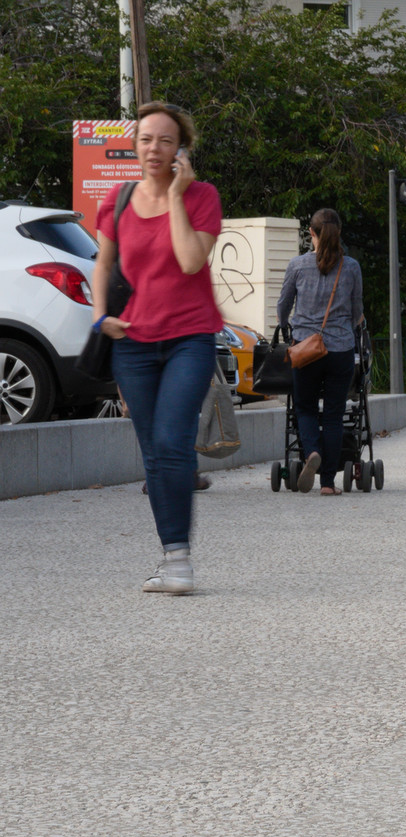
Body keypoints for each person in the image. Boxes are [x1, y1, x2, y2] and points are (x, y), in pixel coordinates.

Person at [90, 101, 223, 595]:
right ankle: (171, 556)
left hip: (190, 337)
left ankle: (180, 561)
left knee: (171, 440)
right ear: (135, 143)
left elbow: (191, 262)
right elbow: (102, 265)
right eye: (147, 139)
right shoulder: (118, 199)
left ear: (180, 149)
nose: (154, 148)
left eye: (165, 140)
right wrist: (100, 314)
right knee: (153, 450)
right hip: (133, 343)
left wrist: (179, 197)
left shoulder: (202, 196)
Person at [277, 208, 365, 495]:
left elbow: (283, 305)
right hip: (340, 350)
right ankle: (328, 482)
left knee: (304, 407)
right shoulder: (350, 267)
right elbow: (356, 311)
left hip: (306, 349)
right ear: (338, 233)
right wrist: (344, 330)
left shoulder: (298, 266)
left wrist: (286, 329)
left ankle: (311, 452)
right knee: (334, 413)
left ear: (311, 234)